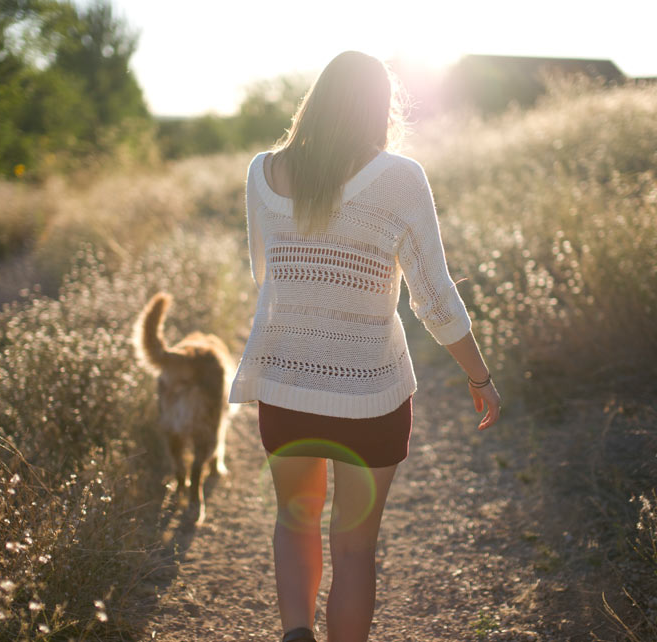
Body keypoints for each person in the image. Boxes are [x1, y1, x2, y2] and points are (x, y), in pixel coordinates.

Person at [228, 50, 501, 642]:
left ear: (316, 100)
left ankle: (296, 633)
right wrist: (479, 376)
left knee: (294, 521)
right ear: (380, 108)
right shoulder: (400, 178)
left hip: (285, 379)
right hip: (370, 391)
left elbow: (265, 272)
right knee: (354, 548)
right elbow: (433, 294)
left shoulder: (262, 172)